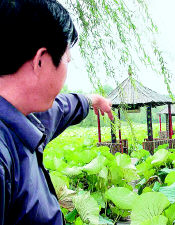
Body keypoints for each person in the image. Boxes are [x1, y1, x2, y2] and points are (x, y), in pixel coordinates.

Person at [0, 0, 113, 224]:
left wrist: (93, 100)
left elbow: (62, 108)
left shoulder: (26, 115)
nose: (66, 70)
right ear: (40, 60)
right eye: (66, 59)